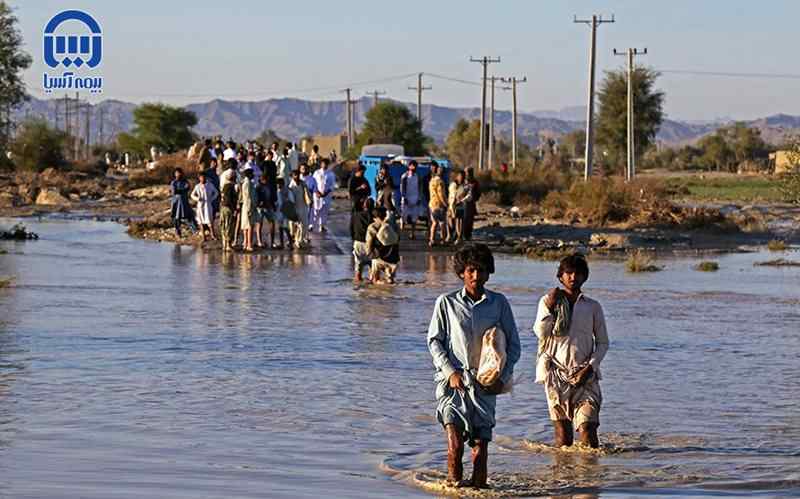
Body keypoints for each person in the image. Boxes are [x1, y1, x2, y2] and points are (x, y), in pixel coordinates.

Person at [427, 243, 521, 488]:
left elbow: (514, 347)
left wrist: (501, 378)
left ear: (489, 272)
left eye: (481, 271)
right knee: (455, 448)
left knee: (480, 452)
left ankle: (479, 490)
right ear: (461, 272)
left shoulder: (499, 303)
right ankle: (453, 488)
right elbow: (434, 341)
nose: (475, 276)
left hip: (485, 386)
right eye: (470, 270)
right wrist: (450, 372)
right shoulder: (446, 303)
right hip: (453, 386)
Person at [533, 254, 609, 449]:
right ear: (561, 277)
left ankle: (591, 477)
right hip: (556, 375)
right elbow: (541, 333)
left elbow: (602, 343)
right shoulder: (548, 301)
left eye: (578, 273)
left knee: (588, 431)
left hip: (586, 375)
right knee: (563, 437)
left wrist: (590, 368)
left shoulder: (593, 306)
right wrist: (550, 307)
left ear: (585, 277)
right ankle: (563, 478)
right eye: (568, 273)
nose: (573, 277)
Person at [365, 206, 400, 284]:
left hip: (379, 255)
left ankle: (379, 287)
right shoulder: (392, 224)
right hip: (392, 255)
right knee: (391, 280)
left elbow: (369, 241)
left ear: (375, 217)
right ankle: (389, 278)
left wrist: (369, 253)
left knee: (374, 279)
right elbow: (398, 237)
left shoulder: (372, 226)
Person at [350, 197, 373, 283]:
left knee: (358, 268)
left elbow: (351, 229)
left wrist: (354, 239)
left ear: (364, 206)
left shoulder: (356, 215)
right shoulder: (374, 217)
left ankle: (358, 288)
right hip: (370, 244)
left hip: (358, 243)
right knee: (372, 268)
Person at [191, 171, 219, 242]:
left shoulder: (210, 185)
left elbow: (216, 192)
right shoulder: (197, 186)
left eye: (203, 177)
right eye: (201, 177)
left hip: (208, 205)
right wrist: (197, 199)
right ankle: (204, 237)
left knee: (210, 221)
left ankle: (213, 235)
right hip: (200, 206)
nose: (202, 178)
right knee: (201, 222)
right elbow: (192, 195)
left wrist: (211, 199)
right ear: (199, 178)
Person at [400, 160, 423, 239]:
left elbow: (420, 188)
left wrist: (419, 198)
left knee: (414, 218)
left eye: (415, 166)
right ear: (409, 166)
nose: (413, 167)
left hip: (415, 199)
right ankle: (401, 233)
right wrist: (404, 197)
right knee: (403, 217)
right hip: (406, 199)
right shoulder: (404, 176)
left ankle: (412, 234)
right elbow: (402, 188)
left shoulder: (418, 176)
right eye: (412, 165)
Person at [170, 168, 196, 237]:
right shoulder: (174, 182)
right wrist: (181, 191)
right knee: (176, 218)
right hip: (176, 203)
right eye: (177, 173)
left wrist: (180, 191)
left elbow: (187, 188)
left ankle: (195, 231)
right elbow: (174, 191)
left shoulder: (185, 182)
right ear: (174, 174)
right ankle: (178, 232)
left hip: (184, 202)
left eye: (179, 173)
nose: (178, 174)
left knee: (189, 217)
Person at [289, 169, 312, 249]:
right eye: (294, 175)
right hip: (295, 208)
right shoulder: (291, 185)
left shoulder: (303, 183)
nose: (296, 176)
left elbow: (307, 194)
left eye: (297, 175)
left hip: (304, 207)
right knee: (296, 226)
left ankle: (299, 240)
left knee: (304, 225)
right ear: (292, 176)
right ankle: (296, 240)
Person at [312, 158, 336, 232]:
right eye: (323, 163)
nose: (324, 165)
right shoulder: (317, 173)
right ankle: (312, 225)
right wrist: (317, 192)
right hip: (317, 195)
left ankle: (322, 225)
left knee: (324, 210)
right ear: (321, 164)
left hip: (326, 195)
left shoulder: (331, 174)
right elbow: (313, 183)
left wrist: (326, 193)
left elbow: (332, 185)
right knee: (316, 209)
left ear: (328, 165)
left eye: (326, 164)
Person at [428, 162, 448, 247]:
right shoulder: (440, 182)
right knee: (442, 223)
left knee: (434, 223)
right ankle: (443, 240)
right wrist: (446, 204)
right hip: (439, 205)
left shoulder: (432, 180)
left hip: (432, 204)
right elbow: (441, 194)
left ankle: (432, 240)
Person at [238, 168, 258, 252]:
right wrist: (250, 209)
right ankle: (249, 244)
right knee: (249, 226)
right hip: (248, 206)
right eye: (252, 174)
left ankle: (246, 243)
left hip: (247, 206)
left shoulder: (247, 182)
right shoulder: (247, 183)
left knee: (246, 225)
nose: (253, 175)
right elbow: (248, 197)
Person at [255, 172, 276, 249]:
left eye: (265, 179)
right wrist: (258, 203)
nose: (264, 180)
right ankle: (259, 241)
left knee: (272, 223)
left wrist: (273, 205)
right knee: (259, 224)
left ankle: (272, 242)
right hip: (260, 208)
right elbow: (256, 197)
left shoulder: (270, 187)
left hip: (269, 207)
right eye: (263, 179)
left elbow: (273, 197)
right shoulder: (258, 187)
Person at [219, 173, 238, 251]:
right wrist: (234, 209)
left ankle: (224, 245)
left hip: (223, 208)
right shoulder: (231, 187)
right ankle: (228, 245)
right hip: (229, 208)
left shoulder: (224, 187)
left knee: (223, 226)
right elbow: (230, 200)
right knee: (229, 227)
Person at [275, 178, 295, 249]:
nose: (277, 185)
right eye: (277, 184)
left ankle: (290, 243)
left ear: (282, 184)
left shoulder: (287, 191)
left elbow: (291, 201)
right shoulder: (277, 191)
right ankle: (282, 243)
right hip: (279, 212)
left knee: (286, 228)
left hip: (285, 211)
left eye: (279, 184)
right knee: (280, 228)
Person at [463, 167, 481, 241]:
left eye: (469, 172)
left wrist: (474, 198)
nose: (468, 174)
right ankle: (462, 235)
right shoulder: (462, 181)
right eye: (466, 172)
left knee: (470, 221)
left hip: (471, 204)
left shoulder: (475, 182)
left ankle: (468, 235)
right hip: (463, 203)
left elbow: (478, 192)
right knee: (463, 220)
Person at [300, 163, 317, 237]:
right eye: (302, 169)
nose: (304, 170)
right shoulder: (297, 178)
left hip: (307, 203)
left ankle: (305, 236)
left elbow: (315, 190)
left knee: (306, 220)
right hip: (298, 202)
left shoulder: (312, 179)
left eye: (305, 169)